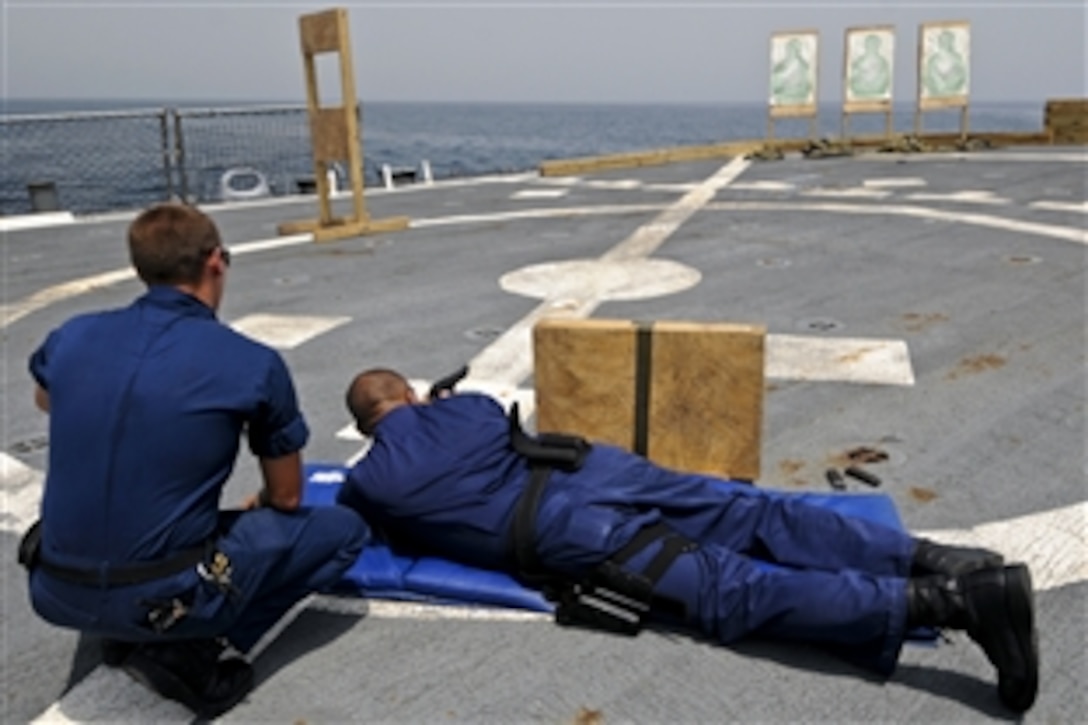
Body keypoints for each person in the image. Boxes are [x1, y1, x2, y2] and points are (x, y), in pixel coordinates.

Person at [337, 368, 1038, 714]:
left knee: (733, 591)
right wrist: (434, 406)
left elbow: (356, 503)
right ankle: (936, 559)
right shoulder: (468, 407)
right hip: (598, 467)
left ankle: (952, 599)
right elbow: (488, 424)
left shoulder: (373, 481)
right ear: (410, 391)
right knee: (761, 514)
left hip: (566, 529)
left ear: (369, 424)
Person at [21, 203, 369, 719]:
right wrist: (262, 506)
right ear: (216, 262)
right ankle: (188, 648)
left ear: (141, 267)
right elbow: (290, 496)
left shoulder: (72, 335)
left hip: (52, 590)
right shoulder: (252, 363)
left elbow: (46, 400)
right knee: (343, 531)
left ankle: (126, 633)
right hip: (165, 593)